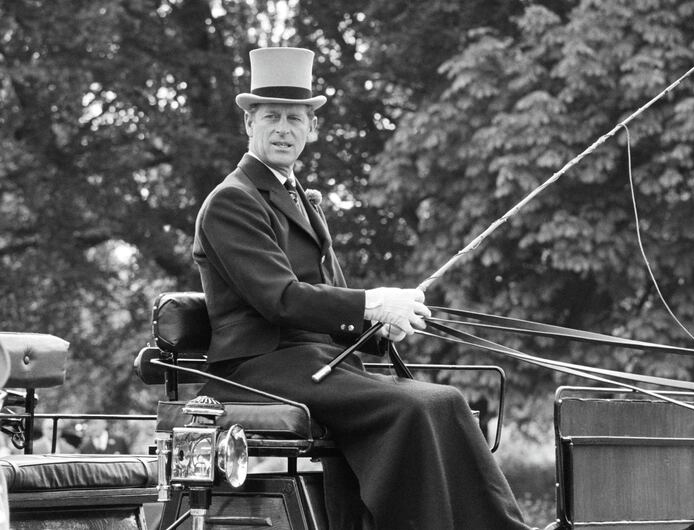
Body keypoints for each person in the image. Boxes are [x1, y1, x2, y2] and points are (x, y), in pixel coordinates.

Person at [193, 46, 532, 530]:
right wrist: (375, 302)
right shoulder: (233, 200)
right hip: (259, 365)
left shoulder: (299, 197)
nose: (284, 129)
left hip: (314, 360)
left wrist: (379, 327)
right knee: (409, 407)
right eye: (271, 116)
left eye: (295, 118)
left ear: (312, 128)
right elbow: (281, 298)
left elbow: (331, 297)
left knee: (449, 401)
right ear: (249, 123)